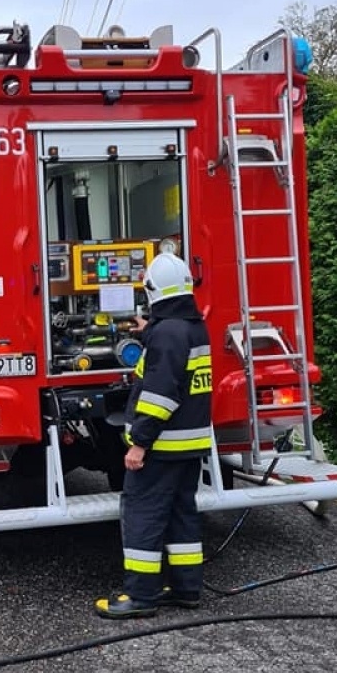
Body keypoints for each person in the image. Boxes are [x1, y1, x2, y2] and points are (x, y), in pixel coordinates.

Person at [95, 252, 212, 619]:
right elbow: (178, 369)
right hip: (189, 445)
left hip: (160, 446)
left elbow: (161, 395)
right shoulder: (192, 327)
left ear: (152, 292)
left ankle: (141, 596)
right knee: (182, 515)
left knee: (143, 516)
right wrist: (150, 334)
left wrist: (139, 444)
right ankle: (186, 589)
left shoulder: (168, 334)